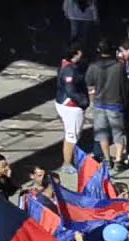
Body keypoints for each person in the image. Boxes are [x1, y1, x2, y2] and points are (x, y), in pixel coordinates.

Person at [85, 39, 128, 169]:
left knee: (102, 133)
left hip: (99, 103)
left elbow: (89, 84)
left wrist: (92, 99)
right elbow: (124, 85)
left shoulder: (93, 66)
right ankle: (119, 160)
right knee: (118, 133)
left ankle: (108, 159)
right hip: (116, 103)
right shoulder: (119, 66)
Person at [54, 44, 89, 173]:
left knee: (72, 134)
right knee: (71, 136)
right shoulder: (70, 70)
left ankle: (72, 160)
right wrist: (83, 101)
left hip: (64, 103)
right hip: (71, 107)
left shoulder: (65, 65)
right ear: (76, 53)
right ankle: (67, 164)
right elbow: (70, 90)